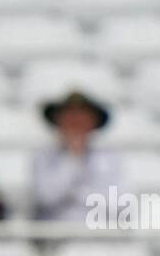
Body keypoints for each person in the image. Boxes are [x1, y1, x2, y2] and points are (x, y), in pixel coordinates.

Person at [31, 91, 120, 223]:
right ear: (58, 120)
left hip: (100, 237)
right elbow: (46, 197)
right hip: (56, 237)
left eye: (82, 116)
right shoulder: (42, 156)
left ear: (93, 122)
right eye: (69, 116)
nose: (75, 122)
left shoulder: (110, 158)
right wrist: (72, 158)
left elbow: (116, 203)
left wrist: (76, 194)